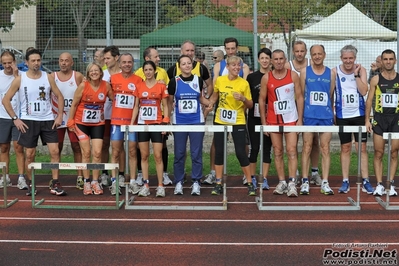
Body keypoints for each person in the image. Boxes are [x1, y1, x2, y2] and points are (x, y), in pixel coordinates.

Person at [2, 48, 66, 196]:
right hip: (28, 120)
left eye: (38, 60)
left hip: (47, 119)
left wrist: (59, 115)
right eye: (33, 61)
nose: (36, 63)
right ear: (26, 62)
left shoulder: (48, 77)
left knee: (55, 151)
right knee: (30, 154)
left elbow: (59, 96)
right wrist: (15, 119)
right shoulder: (20, 78)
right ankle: (31, 184)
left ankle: (55, 183)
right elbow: (6, 100)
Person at [204, 37, 250, 186]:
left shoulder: (244, 69)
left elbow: (249, 100)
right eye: (228, 48)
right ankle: (216, 178)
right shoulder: (219, 68)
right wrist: (209, 105)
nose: (230, 51)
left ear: (237, 48)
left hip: (238, 114)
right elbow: (215, 92)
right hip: (222, 113)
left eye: (233, 48)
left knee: (241, 149)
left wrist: (243, 101)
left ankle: (249, 179)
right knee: (218, 147)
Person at [259, 49, 303, 197]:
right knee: (277, 151)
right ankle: (282, 181)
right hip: (273, 120)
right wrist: (264, 123)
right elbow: (262, 100)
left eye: (281, 59)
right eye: (275, 59)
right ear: (272, 61)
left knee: (291, 150)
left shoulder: (293, 75)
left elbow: (299, 97)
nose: (278, 62)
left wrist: (300, 120)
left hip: (291, 119)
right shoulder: (266, 78)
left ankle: (292, 182)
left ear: (285, 60)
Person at [208, 55, 255, 196]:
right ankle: (218, 182)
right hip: (220, 119)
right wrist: (210, 103)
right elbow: (215, 95)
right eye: (233, 65)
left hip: (237, 120)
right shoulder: (220, 80)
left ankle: (249, 182)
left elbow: (251, 105)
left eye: (238, 65)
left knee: (240, 152)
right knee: (219, 151)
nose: (236, 68)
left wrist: (243, 98)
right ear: (227, 67)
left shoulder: (243, 83)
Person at [168, 55, 212, 196]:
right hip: (179, 122)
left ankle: (196, 182)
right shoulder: (174, 81)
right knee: (179, 153)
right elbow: (169, 102)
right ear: (179, 66)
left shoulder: (198, 80)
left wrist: (209, 103)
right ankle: (179, 182)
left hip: (196, 121)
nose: (187, 65)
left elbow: (200, 98)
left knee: (196, 153)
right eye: (184, 63)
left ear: (192, 65)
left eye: (189, 63)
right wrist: (168, 118)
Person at [67, 62, 113, 195]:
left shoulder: (106, 86)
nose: (94, 73)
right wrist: (70, 121)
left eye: (96, 70)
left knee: (97, 153)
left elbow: (115, 99)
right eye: (91, 71)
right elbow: (74, 104)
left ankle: (95, 181)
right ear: (88, 73)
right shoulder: (83, 85)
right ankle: (86, 181)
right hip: (81, 123)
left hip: (98, 123)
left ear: (100, 72)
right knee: (86, 153)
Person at [333, 45, 372, 194]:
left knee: (361, 148)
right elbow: (331, 92)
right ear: (341, 58)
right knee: (345, 148)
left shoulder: (361, 70)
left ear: (355, 58)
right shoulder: (335, 71)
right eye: (345, 58)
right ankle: (345, 180)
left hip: (358, 115)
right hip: (343, 116)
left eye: (351, 58)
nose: (348, 61)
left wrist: (355, 75)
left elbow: (363, 91)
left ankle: (366, 180)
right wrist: (333, 112)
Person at [299, 45, 335, 195]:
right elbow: (301, 95)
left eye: (320, 54)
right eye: (314, 54)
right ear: (311, 56)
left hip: (326, 116)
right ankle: (305, 181)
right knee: (307, 147)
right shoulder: (304, 72)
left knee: (325, 148)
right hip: (309, 116)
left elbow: (330, 94)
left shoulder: (331, 73)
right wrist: (300, 118)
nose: (317, 56)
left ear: (324, 55)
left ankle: (325, 182)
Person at [285, 40, 321, 185]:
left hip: (311, 106)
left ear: (306, 52)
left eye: (302, 51)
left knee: (314, 141)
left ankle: (314, 171)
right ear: (293, 52)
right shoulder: (288, 65)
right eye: (297, 51)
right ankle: (296, 171)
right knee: (295, 140)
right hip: (292, 106)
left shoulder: (311, 64)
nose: (299, 53)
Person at [131, 61, 170, 197]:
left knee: (158, 156)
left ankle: (160, 186)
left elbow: (165, 105)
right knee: (144, 155)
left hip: (157, 124)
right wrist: (132, 124)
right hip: (142, 125)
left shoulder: (160, 86)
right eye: (145, 70)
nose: (148, 72)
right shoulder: (139, 86)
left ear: (155, 71)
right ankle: (146, 184)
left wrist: (165, 122)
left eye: (150, 69)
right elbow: (136, 106)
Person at [366, 49, 399, 197]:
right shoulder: (376, 80)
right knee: (378, 152)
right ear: (382, 61)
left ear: (395, 61)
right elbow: (369, 100)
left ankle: (389, 184)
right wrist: (367, 119)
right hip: (380, 119)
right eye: (385, 59)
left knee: (393, 153)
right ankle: (379, 184)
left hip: (396, 119)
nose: (388, 62)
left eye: (391, 59)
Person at [109, 53, 142, 196]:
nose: (127, 64)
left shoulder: (138, 80)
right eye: (124, 62)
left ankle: (133, 181)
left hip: (132, 123)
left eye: (130, 62)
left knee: (133, 151)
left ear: (133, 63)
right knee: (115, 152)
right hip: (116, 121)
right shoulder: (113, 79)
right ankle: (115, 181)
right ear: (120, 64)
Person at [50, 52, 84, 189]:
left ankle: (80, 176)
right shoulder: (52, 77)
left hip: (72, 118)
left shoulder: (78, 76)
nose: (63, 63)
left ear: (72, 63)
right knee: (56, 149)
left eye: (66, 61)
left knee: (77, 146)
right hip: (56, 117)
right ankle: (55, 179)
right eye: (61, 60)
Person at [246, 48, 273, 190]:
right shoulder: (252, 77)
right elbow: (248, 98)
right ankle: (251, 178)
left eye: (267, 58)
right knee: (254, 148)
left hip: (270, 117)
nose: (264, 60)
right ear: (258, 60)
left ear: (271, 60)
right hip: (253, 117)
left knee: (267, 149)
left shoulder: (274, 75)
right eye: (262, 58)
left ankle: (265, 178)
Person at [0, 51, 25, 189]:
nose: (7, 65)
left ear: (14, 61)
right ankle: (5, 177)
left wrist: (16, 76)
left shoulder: (22, 76)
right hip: (3, 116)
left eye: (10, 62)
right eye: (4, 63)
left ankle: (21, 177)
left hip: (19, 117)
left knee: (19, 147)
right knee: (3, 147)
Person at [100, 45, 122, 187]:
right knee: (104, 144)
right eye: (104, 58)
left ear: (116, 57)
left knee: (119, 147)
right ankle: (104, 174)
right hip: (104, 115)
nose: (106, 61)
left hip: (120, 116)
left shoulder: (123, 73)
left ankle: (120, 174)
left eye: (108, 58)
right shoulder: (101, 74)